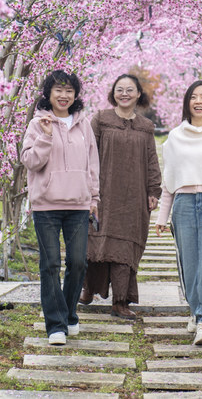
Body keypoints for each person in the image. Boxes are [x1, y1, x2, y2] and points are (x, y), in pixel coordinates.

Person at [20, 70, 100, 346]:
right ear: (49, 93)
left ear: (76, 95)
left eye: (69, 91)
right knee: (50, 264)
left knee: (78, 263)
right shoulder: (37, 123)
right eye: (58, 90)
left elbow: (93, 164)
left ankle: (69, 314)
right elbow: (30, 162)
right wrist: (44, 136)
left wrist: (94, 199)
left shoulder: (84, 125)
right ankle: (55, 324)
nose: (64, 96)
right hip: (46, 206)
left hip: (78, 204)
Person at [81, 74, 162, 319]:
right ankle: (89, 289)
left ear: (139, 94)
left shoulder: (146, 126)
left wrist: (153, 190)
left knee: (126, 249)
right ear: (113, 93)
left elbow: (151, 160)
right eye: (119, 89)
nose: (124, 93)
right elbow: (87, 154)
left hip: (134, 198)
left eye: (130, 90)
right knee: (96, 241)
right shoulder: (101, 120)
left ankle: (120, 301)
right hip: (103, 194)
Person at [154, 80, 202, 346]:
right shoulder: (175, 136)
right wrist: (162, 216)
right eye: (194, 97)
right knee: (189, 264)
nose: (199, 101)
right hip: (182, 203)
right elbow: (169, 180)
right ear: (187, 103)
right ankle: (196, 311)